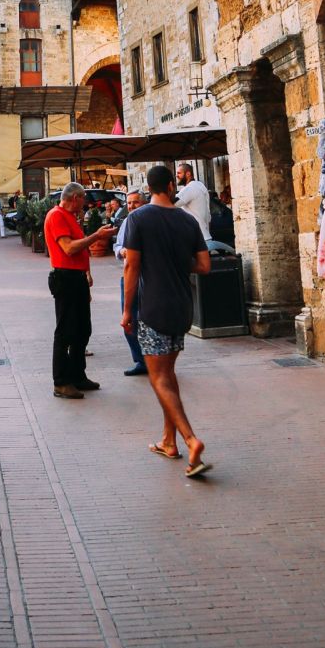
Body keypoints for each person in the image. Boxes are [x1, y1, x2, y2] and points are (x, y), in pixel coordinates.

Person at [121, 165, 212, 477]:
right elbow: (204, 265)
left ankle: (190, 439)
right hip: (182, 307)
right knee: (168, 376)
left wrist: (126, 310)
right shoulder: (187, 220)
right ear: (172, 186)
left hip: (153, 307)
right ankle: (168, 441)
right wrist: (176, 261)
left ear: (149, 188)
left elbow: (131, 267)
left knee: (157, 378)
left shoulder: (138, 218)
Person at [44, 182, 99, 399]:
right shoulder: (56, 216)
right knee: (65, 331)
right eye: (83, 198)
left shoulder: (71, 217)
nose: (85, 202)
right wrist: (96, 237)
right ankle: (61, 382)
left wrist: (86, 272)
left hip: (76, 277)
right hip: (65, 278)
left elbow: (79, 250)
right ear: (74, 198)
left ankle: (77, 375)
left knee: (83, 328)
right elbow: (69, 248)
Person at [114, 190, 147, 375]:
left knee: (152, 319)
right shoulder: (127, 222)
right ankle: (141, 361)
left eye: (135, 203)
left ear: (143, 203)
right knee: (129, 319)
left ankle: (155, 360)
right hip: (128, 276)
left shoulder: (150, 222)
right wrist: (121, 252)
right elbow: (117, 246)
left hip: (149, 276)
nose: (131, 206)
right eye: (129, 203)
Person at [176, 162, 212, 241]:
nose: (177, 176)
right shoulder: (200, 185)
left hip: (196, 238)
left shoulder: (190, 188)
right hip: (204, 235)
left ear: (188, 174)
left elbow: (171, 204)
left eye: (179, 173)